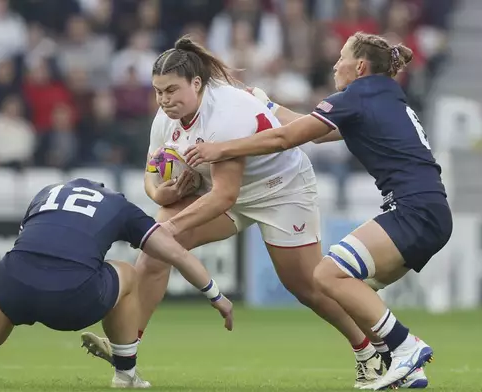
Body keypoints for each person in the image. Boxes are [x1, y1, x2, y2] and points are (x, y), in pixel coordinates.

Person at [79, 35, 394, 389]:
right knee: (155, 252)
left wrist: (162, 229)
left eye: (171, 91)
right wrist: (159, 192)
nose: (164, 100)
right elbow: (152, 175)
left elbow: (224, 197)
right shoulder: (165, 116)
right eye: (158, 91)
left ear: (196, 84)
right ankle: (127, 352)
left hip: (281, 189)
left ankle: (370, 351)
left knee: (307, 286)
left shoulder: (225, 115)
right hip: (223, 190)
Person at [185, 31, 452, 390]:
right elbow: (314, 130)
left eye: (341, 56)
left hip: (413, 209)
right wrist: (266, 105)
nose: (334, 64)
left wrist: (223, 149)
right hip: (429, 209)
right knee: (347, 287)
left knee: (327, 276)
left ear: (359, 66)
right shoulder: (382, 95)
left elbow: (286, 138)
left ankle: (406, 346)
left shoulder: (356, 94)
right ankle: (406, 368)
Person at [0, 178, 233, 389]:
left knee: (13, 287)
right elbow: (176, 253)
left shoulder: (46, 192)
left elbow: (30, 240)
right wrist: (216, 295)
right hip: (73, 299)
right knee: (128, 274)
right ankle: (125, 374)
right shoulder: (118, 204)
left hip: (11, 283)